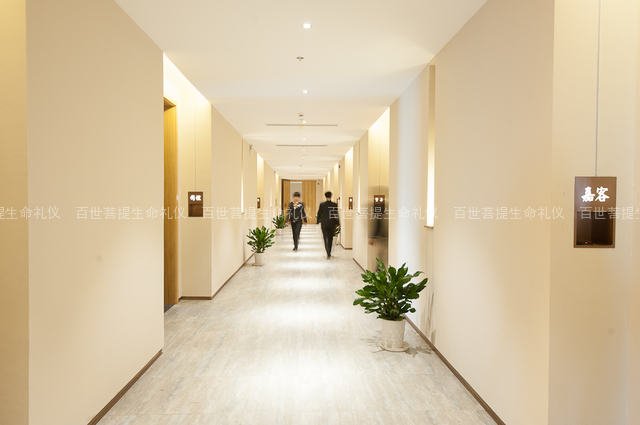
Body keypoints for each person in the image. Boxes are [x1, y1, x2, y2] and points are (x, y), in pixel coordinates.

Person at [317, 191, 340, 259]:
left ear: (325, 196)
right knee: (330, 238)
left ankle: (327, 251)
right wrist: (338, 223)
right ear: (331, 196)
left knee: (325, 237)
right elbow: (336, 214)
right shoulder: (334, 204)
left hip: (324, 223)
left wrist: (317, 221)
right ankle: (329, 251)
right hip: (331, 223)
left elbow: (319, 213)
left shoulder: (322, 204)